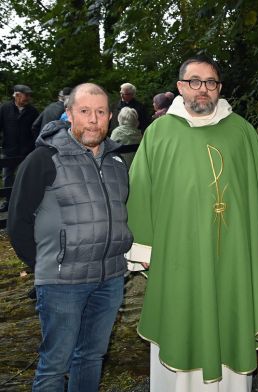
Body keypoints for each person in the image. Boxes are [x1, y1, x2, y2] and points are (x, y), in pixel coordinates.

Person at [126, 55, 258, 391]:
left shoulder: (242, 132)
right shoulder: (159, 133)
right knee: (179, 316)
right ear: (181, 87)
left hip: (233, 258)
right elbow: (141, 190)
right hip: (177, 256)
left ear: (219, 89)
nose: (203, 90)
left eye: (210, 83)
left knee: (231, 314)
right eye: (195, 82)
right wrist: (144, 245)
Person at [7, 83, 133, 391]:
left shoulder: (117, 163)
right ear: (69, 115)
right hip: (62, 283)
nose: (93, 120)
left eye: (100, 112)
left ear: (110, 117)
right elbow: (18, 222)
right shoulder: (43, 159)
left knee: (91, 357)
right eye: (85, 111)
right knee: (54, 366)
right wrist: (47, 265)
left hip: (110, 280)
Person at [0, 84, 39, 211]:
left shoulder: (33, 111)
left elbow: (36, 131)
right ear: (16, 95)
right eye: (25, 95)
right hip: (9, 149)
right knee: (8, 177)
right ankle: (8, 201)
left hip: (27, 151)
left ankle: (24, 201)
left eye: (29, 95)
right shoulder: (4, 108)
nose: (28, 97)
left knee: (26, 176)